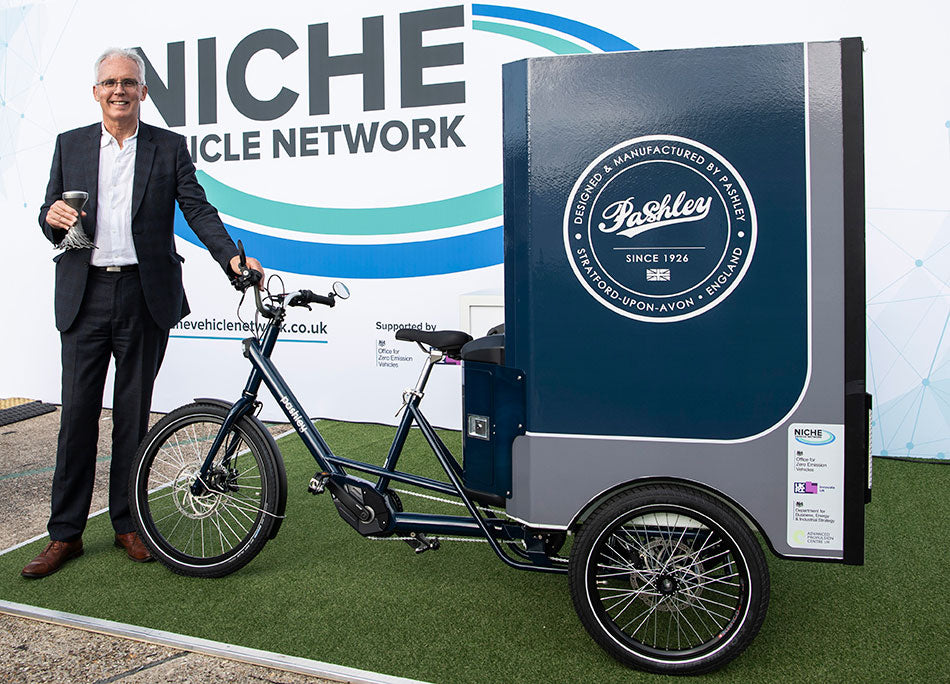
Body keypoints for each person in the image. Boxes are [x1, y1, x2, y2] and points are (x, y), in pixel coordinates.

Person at [22, 47, 264, 579]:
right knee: (77, 419)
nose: (118, 90)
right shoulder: (70, 145)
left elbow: (196, 208)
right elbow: (50, 215)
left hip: (143, 295)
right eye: (109, 81)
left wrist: (230, 255)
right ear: (95, 92)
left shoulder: (168, 147)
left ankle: (129, 524)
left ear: (143, 91)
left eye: (128, 82)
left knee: (132, 418)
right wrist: (51, 216)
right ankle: (65, 534)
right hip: (83, 296)